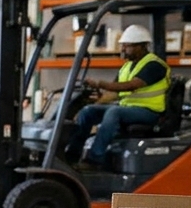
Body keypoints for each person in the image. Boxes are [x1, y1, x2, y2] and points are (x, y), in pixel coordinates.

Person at [65, 24, 170, 168]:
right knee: (88, 111)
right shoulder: (127, 66)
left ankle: (95, 159)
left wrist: (100, 84)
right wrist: (97, 102)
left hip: (150, 112)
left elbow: (132, 85)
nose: (122, 49)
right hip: (128, 109)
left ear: (141, 46)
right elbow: (115, 92)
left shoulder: (154, 65)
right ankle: (71, 155)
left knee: (114, 112)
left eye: (127, 46)